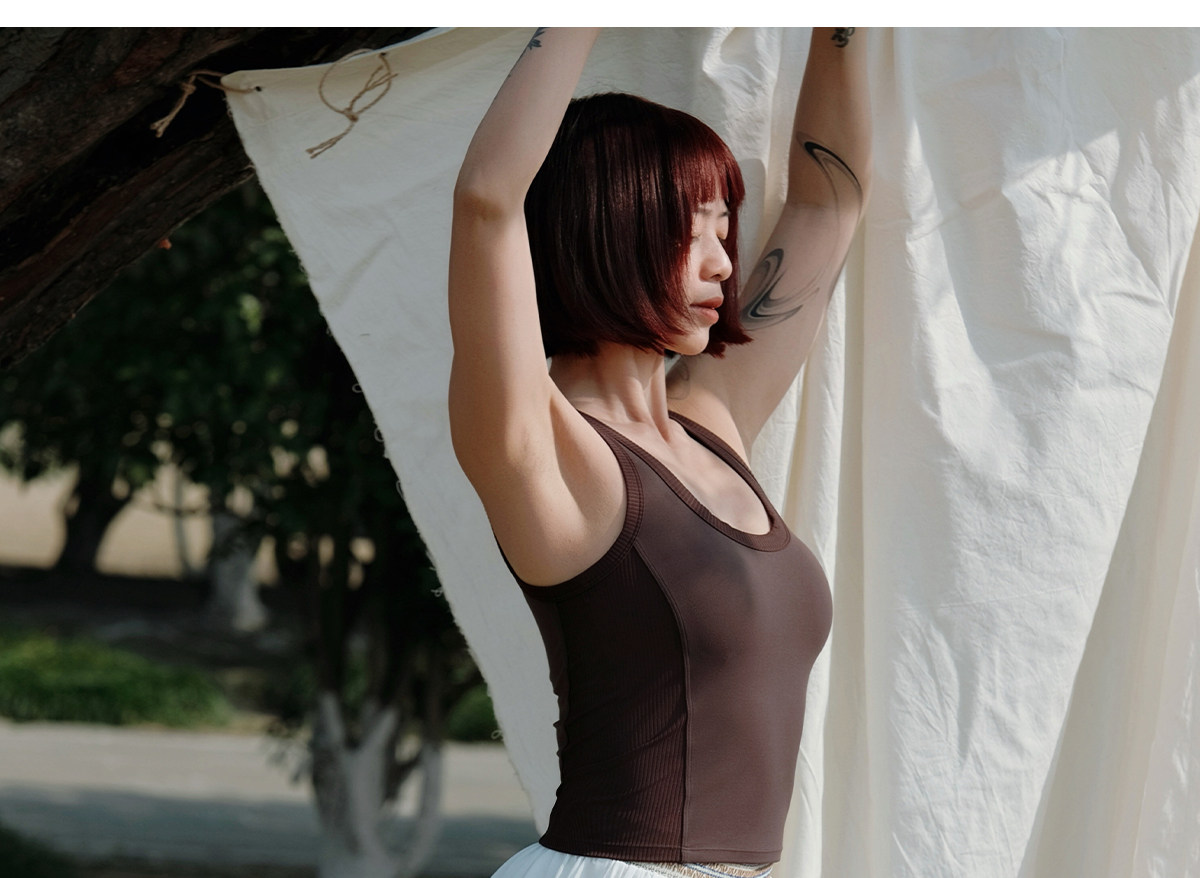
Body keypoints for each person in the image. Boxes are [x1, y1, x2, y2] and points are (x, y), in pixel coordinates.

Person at [448, 27, 870, 878]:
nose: (724, 264)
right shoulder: (544, 448)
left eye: (727, 229)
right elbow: (488, 199)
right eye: (693, 229)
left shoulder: (711, 422)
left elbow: (830, 203)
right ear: (609, 228)